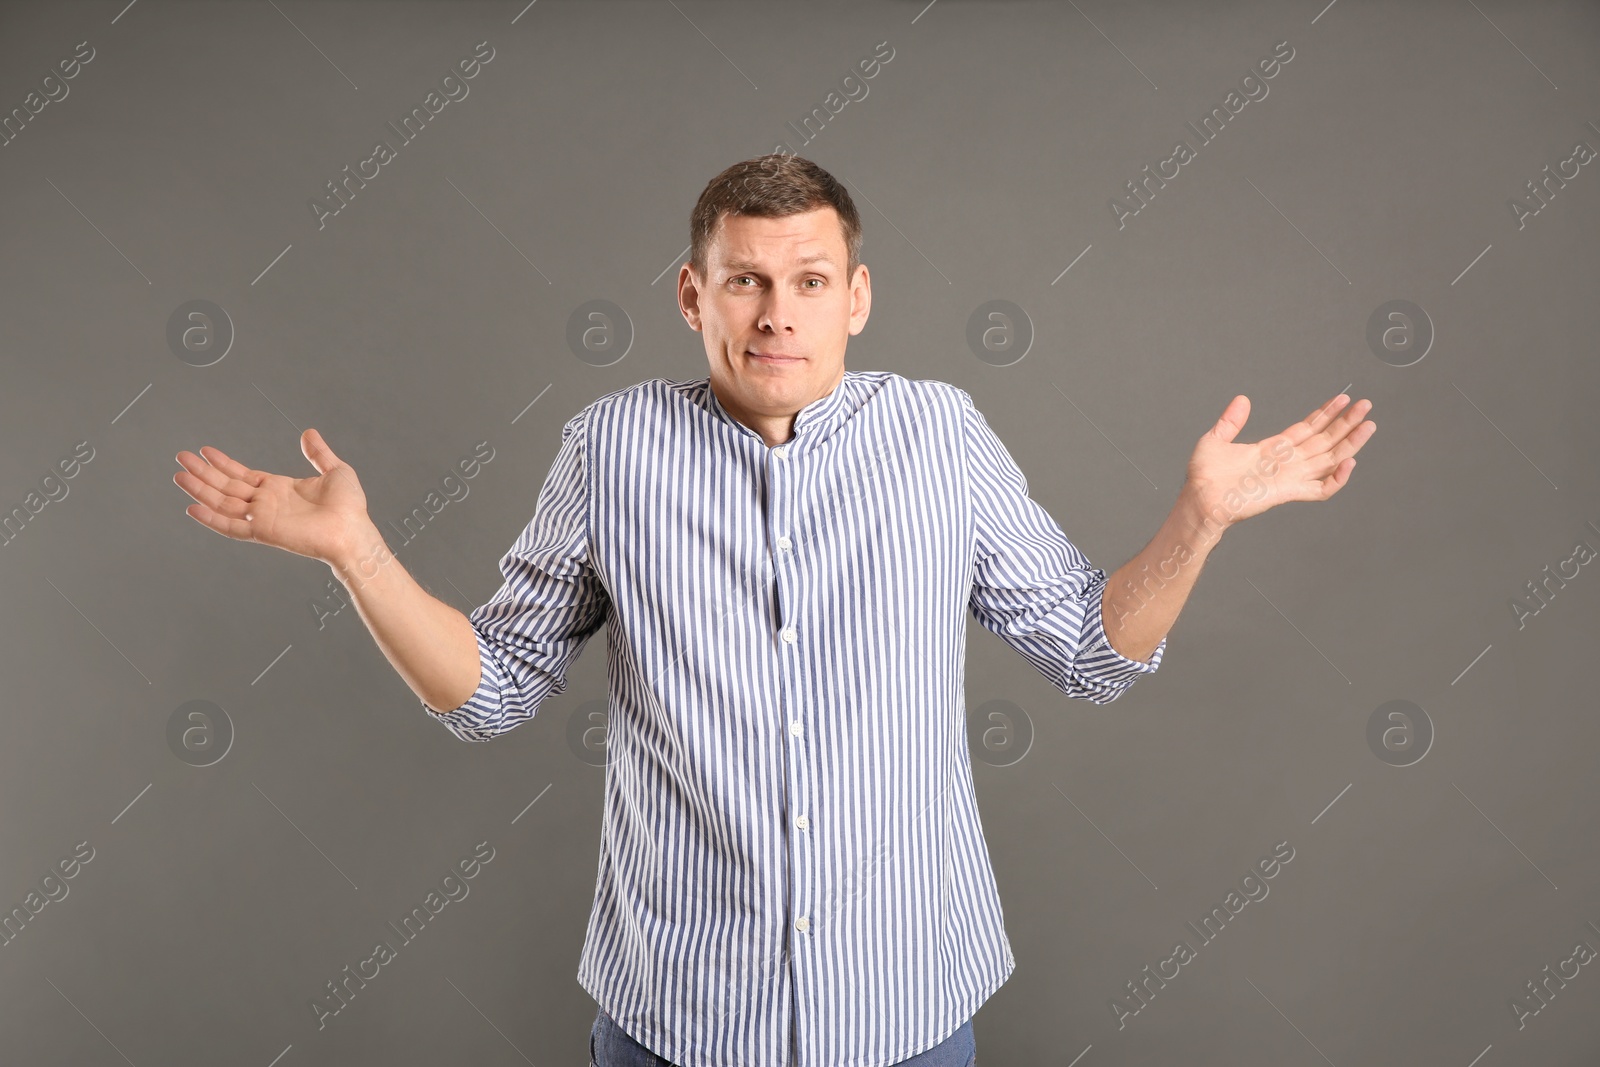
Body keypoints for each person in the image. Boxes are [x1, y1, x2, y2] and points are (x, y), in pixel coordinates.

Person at [172, 153, 1375, 1067]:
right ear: (693, 293)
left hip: (903, 1009)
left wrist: (1197, 521)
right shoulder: (610, 451)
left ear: (856, 295)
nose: (775, 313)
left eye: (807, 280)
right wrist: (356, 551)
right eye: (744, 280)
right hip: (676, 1014)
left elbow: (1088, 653)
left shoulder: (939, 435)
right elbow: (489, 692)